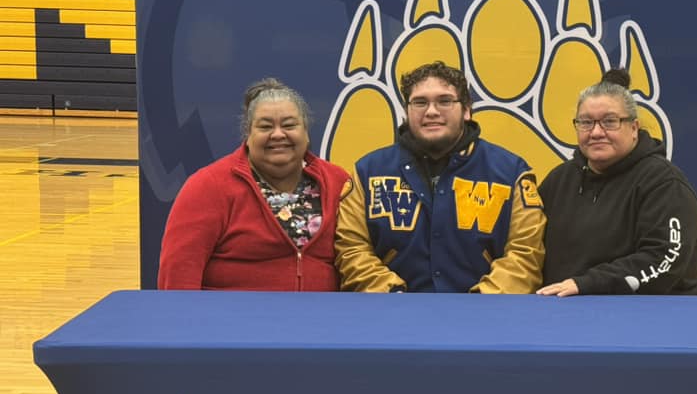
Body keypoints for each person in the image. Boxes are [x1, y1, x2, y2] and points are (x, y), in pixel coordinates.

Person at [335, 61, 545, 293]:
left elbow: (525, 253)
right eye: (420, 102)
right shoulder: (368, 172)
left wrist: (483, 303)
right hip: (390, 314)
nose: (431, 111)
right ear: (407, 111)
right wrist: (390, 296)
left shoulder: (510, 172)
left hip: (486, 317)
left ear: (466, 110)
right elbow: (352, 248)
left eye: (444, 101)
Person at [158, 78, 350, 290]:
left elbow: (357, 255)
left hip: (323, 319)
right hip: (228, 321)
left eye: (289, 125)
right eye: (265, 126)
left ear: (306, 133)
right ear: (248, 135)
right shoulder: (208, 186)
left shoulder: (337, 182)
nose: (278, 134)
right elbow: (179, 273)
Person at [537, 68, 697, 296]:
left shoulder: (664, 183)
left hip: (654, 318)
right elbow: (529, 249)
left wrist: (586, 284)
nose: (596, 132)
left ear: (634, 128)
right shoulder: (559, 181)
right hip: (568, 315)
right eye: (586, 122)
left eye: (610, 121)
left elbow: (665, 259)